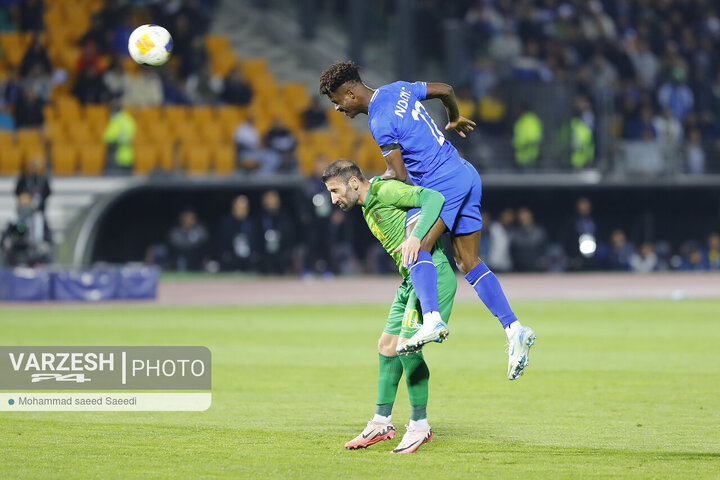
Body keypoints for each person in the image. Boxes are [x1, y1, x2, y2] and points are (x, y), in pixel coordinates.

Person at [319, 61, 535, 380]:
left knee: (413, 245)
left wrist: (374, 186)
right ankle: (514, 329)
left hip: (444, 184)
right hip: (465, 172)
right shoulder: (399, 87)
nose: (337, 108)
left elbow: (400, 175)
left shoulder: (379, 121)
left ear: (350, 94)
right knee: (467, 261)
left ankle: (432, 318)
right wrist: (454, 117)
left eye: (337, 101)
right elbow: (445, 90)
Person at [322, 159, 456, 454]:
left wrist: (417, 237)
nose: (334, 199)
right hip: (409, 280)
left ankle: (420, 426)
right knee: (387, 346)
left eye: (335, 190)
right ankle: (381, 422)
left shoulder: (385, 192)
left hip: (431, 273)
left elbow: (434, 198)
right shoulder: (368, 207)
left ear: (353, 183)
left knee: (407, 347)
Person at [217, 195, 258, 272]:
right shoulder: (227, 223)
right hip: (231, 261)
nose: (241, 210)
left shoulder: (251, 223)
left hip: (248, 261)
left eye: (244, 208)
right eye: (239, 207)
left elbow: (255, 242)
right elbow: (222, 242)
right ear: (233, 208)